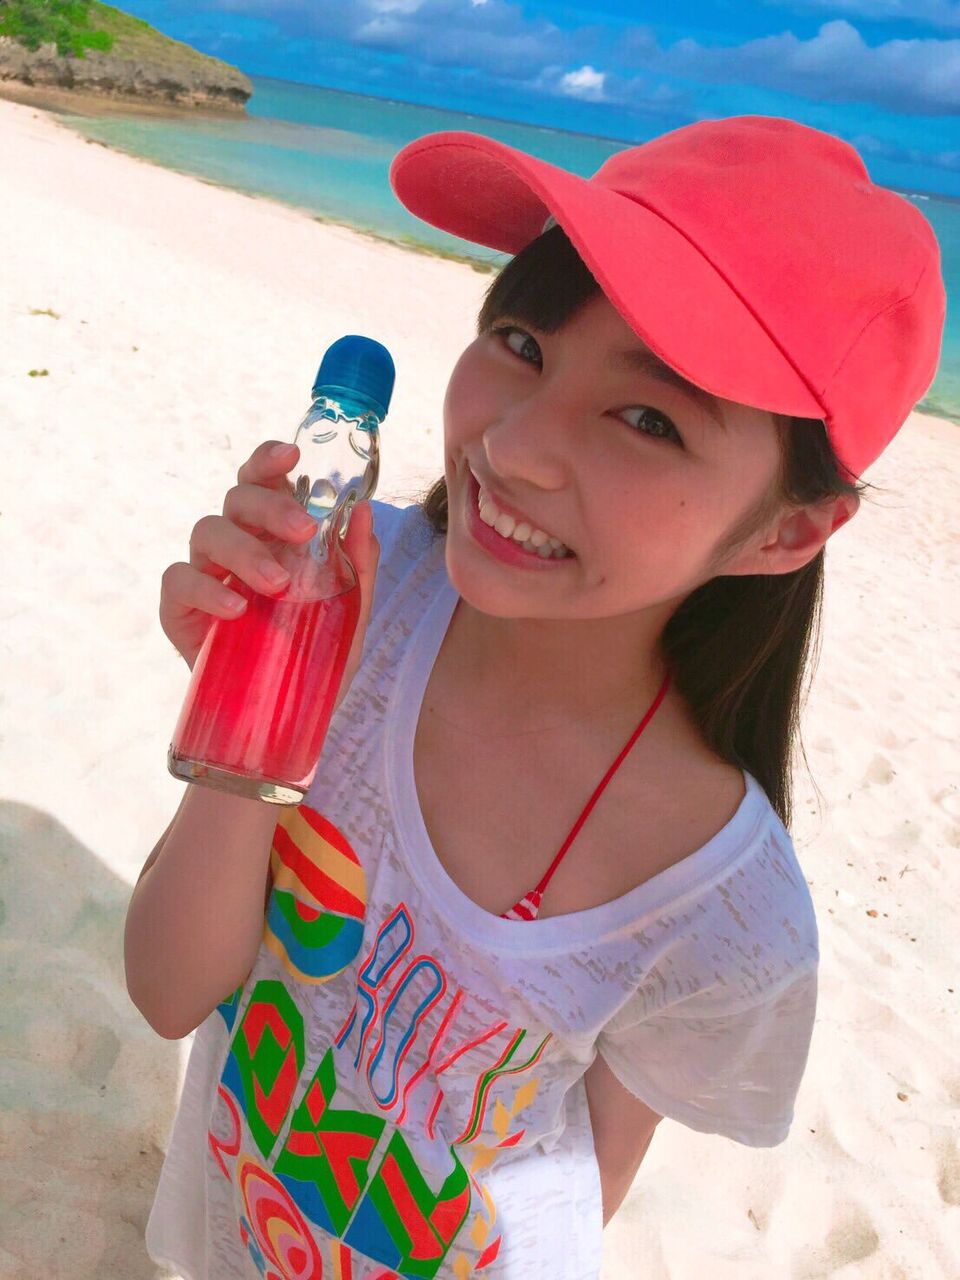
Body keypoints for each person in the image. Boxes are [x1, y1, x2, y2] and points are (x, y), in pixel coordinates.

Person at [125, 116, 945, 1280]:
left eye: (649, 418)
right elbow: (170, 989)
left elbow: (581, 1192)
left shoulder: (728, 911)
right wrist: (253, 703)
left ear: (788, 530)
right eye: (521, 341)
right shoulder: (353, 597)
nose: (513, 448)